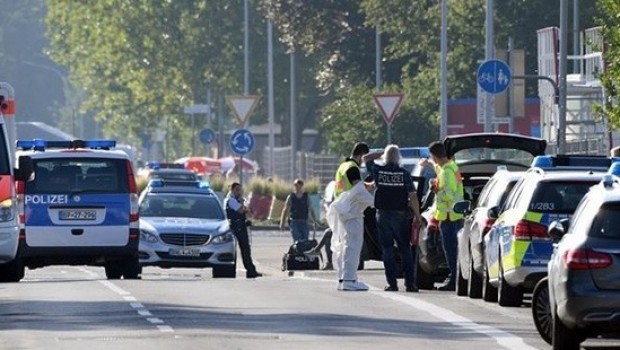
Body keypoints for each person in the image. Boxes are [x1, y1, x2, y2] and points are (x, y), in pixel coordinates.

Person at [364, 145, 423, 292]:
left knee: (387, 249)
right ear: (399, 158)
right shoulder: (404, 174)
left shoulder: (378, 171)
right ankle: (410, 284)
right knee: (405, 249)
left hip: (382, 215)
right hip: (400, 215)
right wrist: (417, 215)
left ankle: (392, 283)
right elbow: (413, 196)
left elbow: (366, 158)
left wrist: (382, 153)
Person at [326, 142, 374, 291]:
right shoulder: (353, 168)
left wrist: (367, 185)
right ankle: (350, 280)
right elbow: (357, 189)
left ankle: (343, 279)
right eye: (364, 160)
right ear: (361, 155)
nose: (363, 163)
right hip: (352, 212)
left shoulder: (343, 166)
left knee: (345, 245)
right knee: (353, 246)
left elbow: (353, 186)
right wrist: (374, 202)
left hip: (343, 210)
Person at [423, 141, 464, 291]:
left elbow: (449, 193)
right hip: (455, 215)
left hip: (448, 216)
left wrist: (435, 189)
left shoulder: (446, 171)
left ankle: (454, 280)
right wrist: (428, 164)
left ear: (435, 156)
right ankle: (456, 278)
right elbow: (438, 168)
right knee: (455, 250)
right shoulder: (451, 166)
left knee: (451, 250)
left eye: (431, 157)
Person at [224, 182, 262, 278]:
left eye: (240, 190)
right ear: (232, 190)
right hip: (236, 226)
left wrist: (244, 207)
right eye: (237, 190)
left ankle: (251, 271)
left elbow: (247, 211)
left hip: (240, 225)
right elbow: (241, 210)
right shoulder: (231, 200)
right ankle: (247, 270)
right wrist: (243, 206)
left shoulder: (237, 200)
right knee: (240, 249)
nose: (239, 192)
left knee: (246, 249)